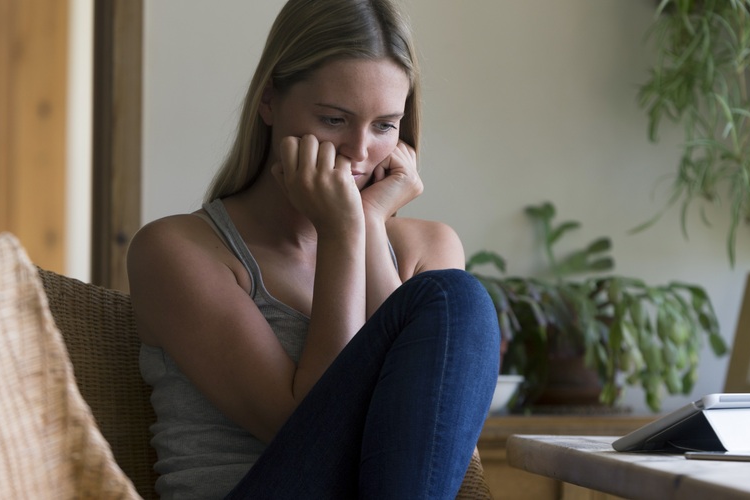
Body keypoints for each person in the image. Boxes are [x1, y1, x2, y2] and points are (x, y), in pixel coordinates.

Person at [126, 0, 500, 498]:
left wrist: (367, 224)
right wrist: (343, 233)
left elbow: (418, 432)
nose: (360, 151)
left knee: (456, 300)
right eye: (333, 119)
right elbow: (308, 425)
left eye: (385, 125)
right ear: (268, 101)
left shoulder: (426, 248)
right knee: (453, 299)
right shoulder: (176, 251)